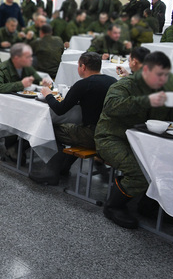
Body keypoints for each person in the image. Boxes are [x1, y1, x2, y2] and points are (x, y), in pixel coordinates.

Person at [95, 52, 173, 229]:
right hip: (112, 138)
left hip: (145, 142)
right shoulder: (126, 85)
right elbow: (111, 107)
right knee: (141, 171)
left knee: (169, 165)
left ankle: (148, 205)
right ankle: (113, 206)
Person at [29, 52, 116, 185]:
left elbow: (59, 109)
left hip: (91, 135)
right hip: (111, 135)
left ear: (83, 67)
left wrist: (48, 95)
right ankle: (64, 166)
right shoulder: (112, 81)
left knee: (49, 127)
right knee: (74, 129)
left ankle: (51, 172)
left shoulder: (83, 84)